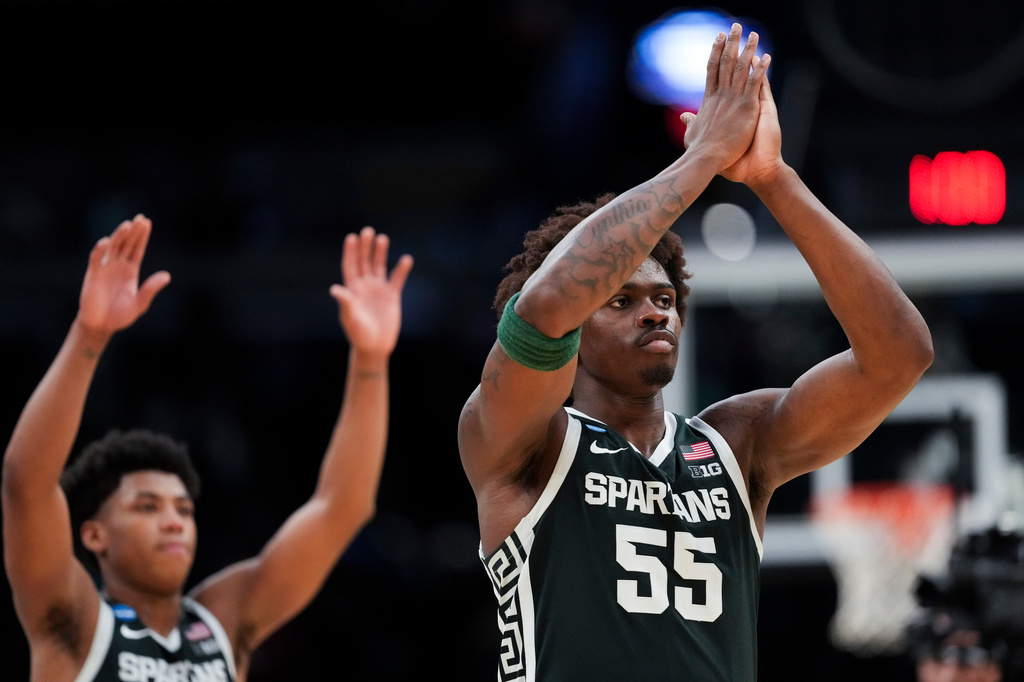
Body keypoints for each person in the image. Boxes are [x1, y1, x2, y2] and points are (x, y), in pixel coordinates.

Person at [457, 23, 933, 681]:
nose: (654, 308)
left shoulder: (737, 444)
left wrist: (773, 179)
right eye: (621, 300)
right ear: (576, 335)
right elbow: (543, 310)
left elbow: (900, 357)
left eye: (663, 297)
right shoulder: (523, 442)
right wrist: (700, 159)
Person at [2, 214, 413, 681]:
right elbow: (26, 483)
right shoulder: (73, 624)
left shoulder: (221, 623)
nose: (174, 520)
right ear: (95, 534)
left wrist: (371, 362)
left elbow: (341, 508)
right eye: (147, 506)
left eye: (183, 508)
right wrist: (89, 335)